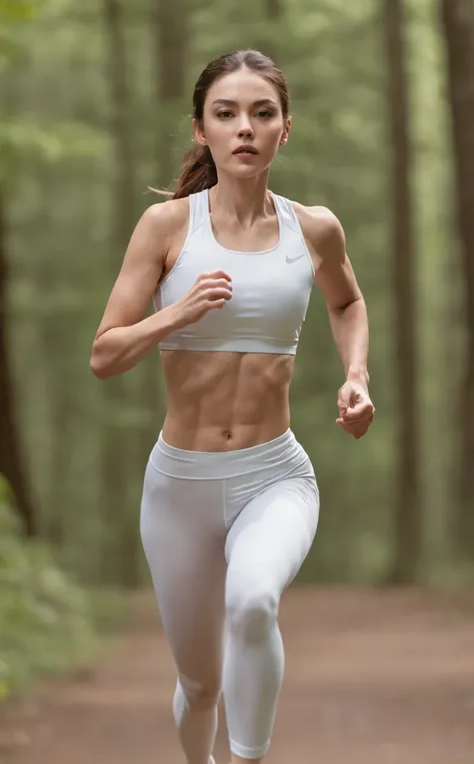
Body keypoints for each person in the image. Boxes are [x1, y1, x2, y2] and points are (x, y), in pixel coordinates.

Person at [90, 48, 375, 764]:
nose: (244, 127)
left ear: (286, 130)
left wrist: (357, 375)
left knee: (254, 602)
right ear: (201, 130)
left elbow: (347, 301)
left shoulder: (313, 229)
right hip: (179, 485)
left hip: (273, 476)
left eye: (262, 113)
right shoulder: (166, 228)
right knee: (199, 684)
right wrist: (175, 314)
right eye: (226, 113)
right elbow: (105, 355)